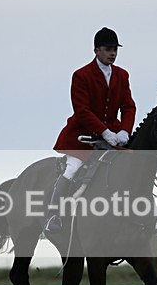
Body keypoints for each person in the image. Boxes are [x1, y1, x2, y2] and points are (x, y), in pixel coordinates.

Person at [45, 27, 136, 233]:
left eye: (115, 49)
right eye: (108, 49)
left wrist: (125, 131)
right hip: (81, 137)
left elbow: (128, 106)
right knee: (73, 168)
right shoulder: (81, 75)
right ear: (96, 50)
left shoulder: (122, 75)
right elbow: (82, 110)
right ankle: (54, 215)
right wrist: (105, 132)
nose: (112, 53)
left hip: (113, 137)